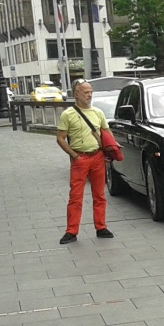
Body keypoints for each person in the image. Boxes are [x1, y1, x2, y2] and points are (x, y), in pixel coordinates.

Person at [55, 79, 113, 244]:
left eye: (90, 92)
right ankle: (71, 231)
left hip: (97, 157)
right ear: (76, 94)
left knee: (100, 195)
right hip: (80, 158)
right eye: (86, 92)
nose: (89, 95)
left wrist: (112, 149)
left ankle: (101, 227)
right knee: (75, 196)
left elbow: (106, 133)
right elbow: (60, 138)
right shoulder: (68, 114)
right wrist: (74, 155)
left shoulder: (98, 113)